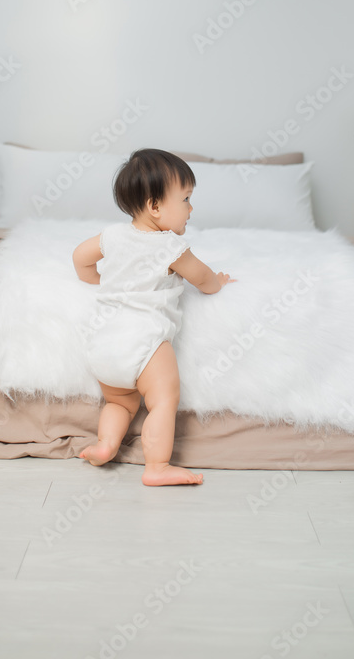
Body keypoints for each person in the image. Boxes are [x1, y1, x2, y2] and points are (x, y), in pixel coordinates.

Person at [72, 148, 236, 486]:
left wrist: (94, 279)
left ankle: (105, 445)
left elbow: (79, 257)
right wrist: (218, 283)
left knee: (119, 402)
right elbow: (202, 279)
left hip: (103, 344)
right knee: (163, 400)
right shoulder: (170, 247)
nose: (191, 209)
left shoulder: (112, 236)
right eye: (186, 199)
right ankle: (157, 467)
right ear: (156, 207)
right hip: (144, 341)